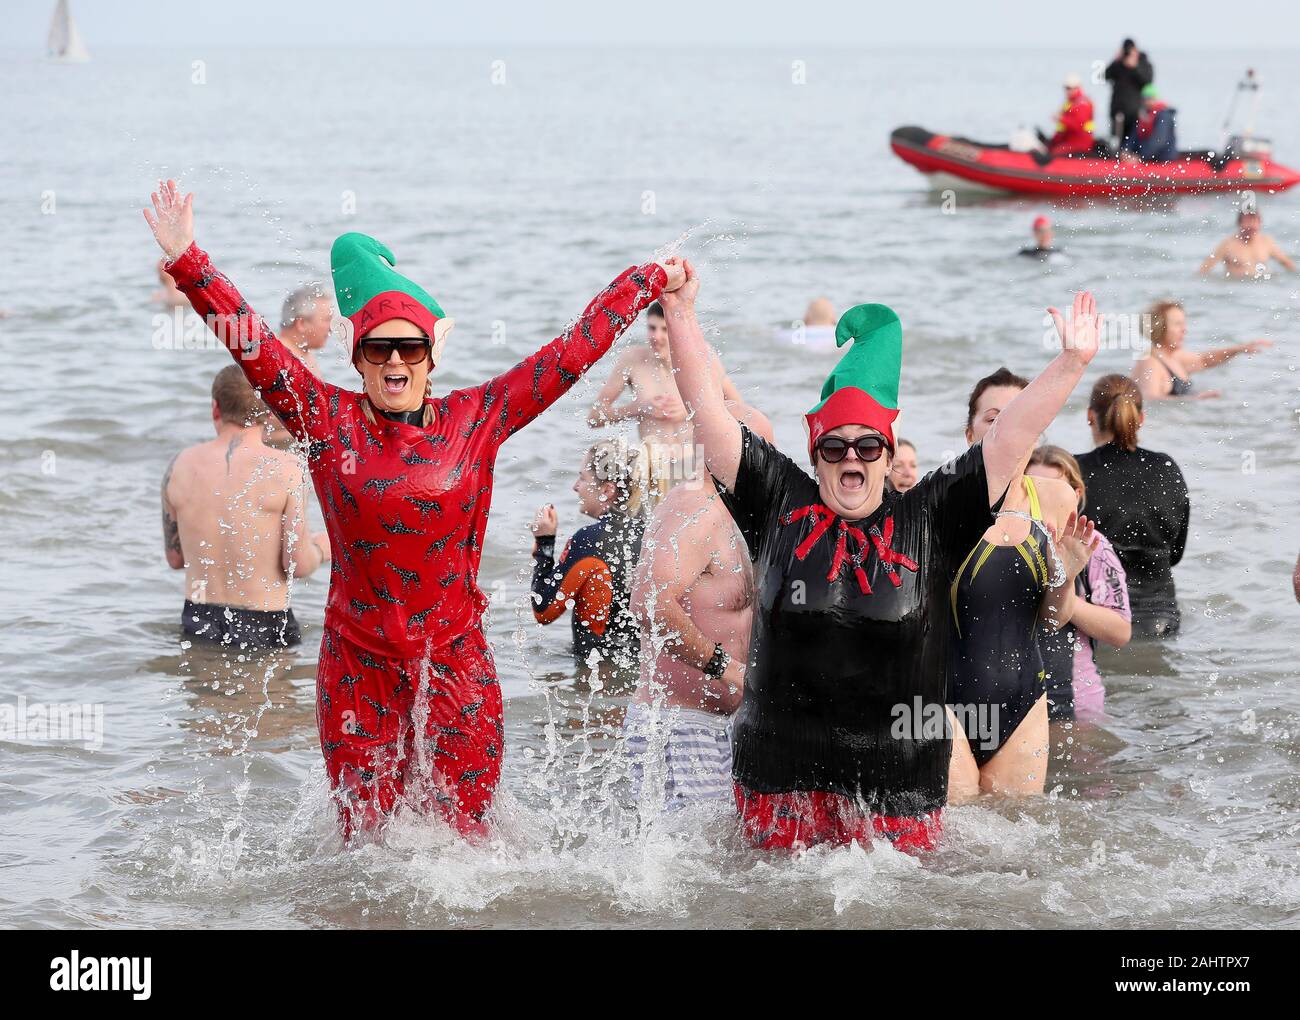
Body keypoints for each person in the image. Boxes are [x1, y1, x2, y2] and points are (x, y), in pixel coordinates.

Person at [144, 179, 684, 842]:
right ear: (359, 358)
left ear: (430, 357)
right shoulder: (324, 417)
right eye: (379, 348)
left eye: (410, 348)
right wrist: (188, 261)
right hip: (355, 667)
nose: (395, 360)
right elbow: (252, 343)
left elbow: (570, 353)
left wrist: (646, 277)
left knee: (467, 846)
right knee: (366, 847)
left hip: (454, 662)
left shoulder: (479, 416)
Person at [663, 253, 1105, 852]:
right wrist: (682, 313)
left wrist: (1072, 362)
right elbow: (708, 414)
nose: (852, 457)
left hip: (898, 795)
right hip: (778, 783)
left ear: (889, 451)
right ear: (814, 451)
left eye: (869, 445)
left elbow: (1009, 437)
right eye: (836, 446)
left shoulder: (931, 517)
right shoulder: (774, 502)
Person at [947, 369, 1092, 800]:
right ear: (969, 430)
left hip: (1023, 704)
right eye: (994, 418)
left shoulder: (1054, 499)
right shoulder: (935, 501)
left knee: (1015, 851)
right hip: (940, 703)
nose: (1007, 428)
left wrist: (1065, 574)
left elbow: (1054, 619)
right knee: (948, 851)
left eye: (1019, 416)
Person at [623, 409, 773, 809]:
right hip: (681, 729)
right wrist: (728, 669)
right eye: (761, 450)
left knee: (727, 865)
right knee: (691, 868)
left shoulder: (735, 511)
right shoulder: (694, 508)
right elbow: (649, 603)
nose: (771, 462)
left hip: (723, 726)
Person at [162, 365, 329, 650]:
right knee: (271, 693)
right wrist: (323, 548)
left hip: (198, 617)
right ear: (267, 411)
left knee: (205, 692)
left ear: (215, 408)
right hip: (264, 622)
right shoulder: (287, 468)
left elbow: (175, 558)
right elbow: (297, 565)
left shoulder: (179, 465)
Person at [589, 301, 745, 497]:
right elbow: (594, 417)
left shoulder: (701, 355)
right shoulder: (633, 360)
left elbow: (739, 409)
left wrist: (693, 409)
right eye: (652, 328)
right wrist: (637, 407)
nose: (657, 337)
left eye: (665, 329)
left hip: (695, 464)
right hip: (654, 468)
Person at [1076, 375, 1189, 640]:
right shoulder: (1166, 468)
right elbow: (1176, 553)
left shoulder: (1074, 472)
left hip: (1099, 621)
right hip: (1162, 620)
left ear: (1091, 415)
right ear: (1141, 418)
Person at [529, 439, 655, 674]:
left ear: (607, 490)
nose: (575, 487)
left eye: (583, 479)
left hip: (598, 679)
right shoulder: (656, 533)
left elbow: (543, 610)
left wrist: (544, 543)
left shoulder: (590, 540)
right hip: (647, 676)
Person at [1027, 446, 1131, 722]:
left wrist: (1063, 591)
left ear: (1076, 494)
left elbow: (1120, 630)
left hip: (1074, 702)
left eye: (1055, 490)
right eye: (1035, 490)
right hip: (1014, 701)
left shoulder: (1094, 546)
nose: (1046, 499)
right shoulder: (1006, 540)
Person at [1132, 299, 1272, 400]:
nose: (1184, 330)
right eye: (1178, 324)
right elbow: (1148, 398)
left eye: (1184, 324)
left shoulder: (1173, 357)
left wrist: (1238, 349)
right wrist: (1194, 400)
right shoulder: (1150, 361)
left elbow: (1205, 360)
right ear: (1159, 327)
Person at [1199, 208, 1296, 278]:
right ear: (1239, 223)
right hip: (1237, 290)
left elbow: (1288, 264)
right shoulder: (1228, 244)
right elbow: (1204, 270)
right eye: (1247, 221)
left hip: (1263, 288)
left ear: (1260, 223)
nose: (1251, 226)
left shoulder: (1266, 242)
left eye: (1254, 221)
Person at [1104, 39, 1154, 144]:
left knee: (1134, 140)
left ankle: (1135, 157)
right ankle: (1117, 157)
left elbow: (1148, 81)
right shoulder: (1118, 63)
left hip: (1135, 111)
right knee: (1117, 141)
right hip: (1118, 110)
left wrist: (1135, 67)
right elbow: (1105, 76)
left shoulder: (1142, 61)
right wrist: (1115, 60)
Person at [279, 283, 335, 377]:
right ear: (301, 323)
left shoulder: (302, 353)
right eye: (326, 320)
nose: (331, 328)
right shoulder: (281, 359)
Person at [1121, 86, 1177, 162]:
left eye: (1150, 98)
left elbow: (1158, 140)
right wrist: (1126, 150)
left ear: (1156, 99)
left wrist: (1140, 158)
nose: (1147, 102)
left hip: (1163, 159)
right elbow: (1134, 136)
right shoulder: (1143, 115)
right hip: (1146, 158)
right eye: (1144, 99)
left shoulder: (1164, 115)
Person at [1044, 74, 1096, 155]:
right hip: (1068, 140)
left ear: (1078, 88)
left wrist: (1061, 118)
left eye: (1069, 88)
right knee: (1049, 148)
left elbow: (1078, 125)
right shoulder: (1070, 103)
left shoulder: (1083, 104)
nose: (1067, 91)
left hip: (1080, 143)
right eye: (1066, 88)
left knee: (1056, 152)